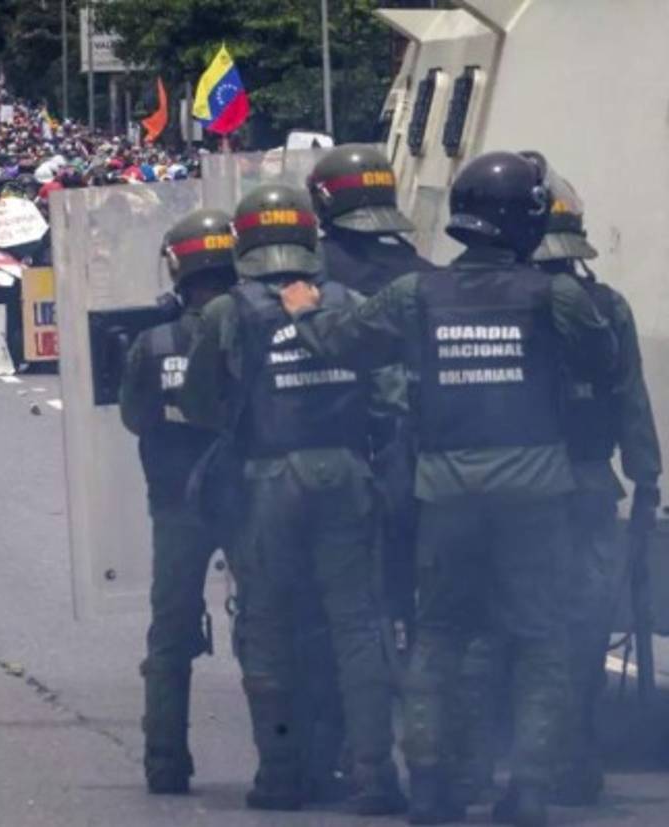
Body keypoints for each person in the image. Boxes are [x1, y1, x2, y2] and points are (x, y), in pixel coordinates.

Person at [279, 151, 618, 827]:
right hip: (535, 495)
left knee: (438, 636)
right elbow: (604, 362)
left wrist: (306, 313)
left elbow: (344, 343)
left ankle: (432, 788)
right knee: (540, 638)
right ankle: (528, 789)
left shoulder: (417, 295)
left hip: (445, 494)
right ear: (525, 220)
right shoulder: (555, 297)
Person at [181, 184, 403, 815]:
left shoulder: (227, 312)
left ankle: (280, 774)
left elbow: (198, 403)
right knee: (358, 626)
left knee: (269, 626)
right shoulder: (349, 302)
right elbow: (389, 397)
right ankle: (373, 773)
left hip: (267, 482)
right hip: (347, 475)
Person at [526, 162, 661, 806]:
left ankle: (524, 756)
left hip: (522, 488)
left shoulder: (505, 302)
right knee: (583, 626)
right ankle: (574, 757)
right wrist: (647, 481)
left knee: (522, 625)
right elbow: (631, 399)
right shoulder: (607, 307)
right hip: (589, 484)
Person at [118, 208, 237, 795]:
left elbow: (134, 418)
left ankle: (164, 762)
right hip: (246, 495)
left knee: (170, 632)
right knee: (273, 624)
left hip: (175, 500)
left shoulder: (154, 342)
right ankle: (287, 767)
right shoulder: (255, 329)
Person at [308, 144, 432, 648]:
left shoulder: (310, 273)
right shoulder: (426, 271)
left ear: (322, 201)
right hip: (424, 447)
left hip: (336, 443)